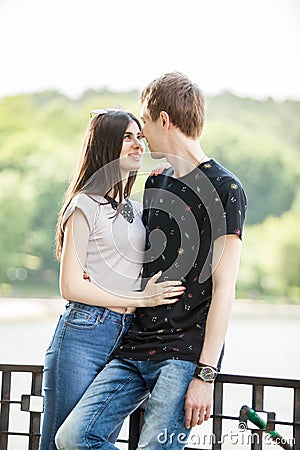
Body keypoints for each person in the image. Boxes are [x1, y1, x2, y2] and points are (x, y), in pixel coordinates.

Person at [55, 72, 247, 450]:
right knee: (73, 437)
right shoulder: (156, 183)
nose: (142, 136)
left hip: (183, 355)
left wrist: (206, 375)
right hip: (133, 347)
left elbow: (225, 288)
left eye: (143, 123)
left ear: (164, 119)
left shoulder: (227, 189)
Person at [39, 109, 185, 450]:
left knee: (91, 439)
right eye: (127, 137)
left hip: (125, 339)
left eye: (140, 136)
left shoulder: (131, 208)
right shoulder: (83, 205)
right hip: (84, 336)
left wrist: (166, 177)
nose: (139, 144)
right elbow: (71, 287)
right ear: (106, 146)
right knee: (61, 442)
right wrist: (140, 299)